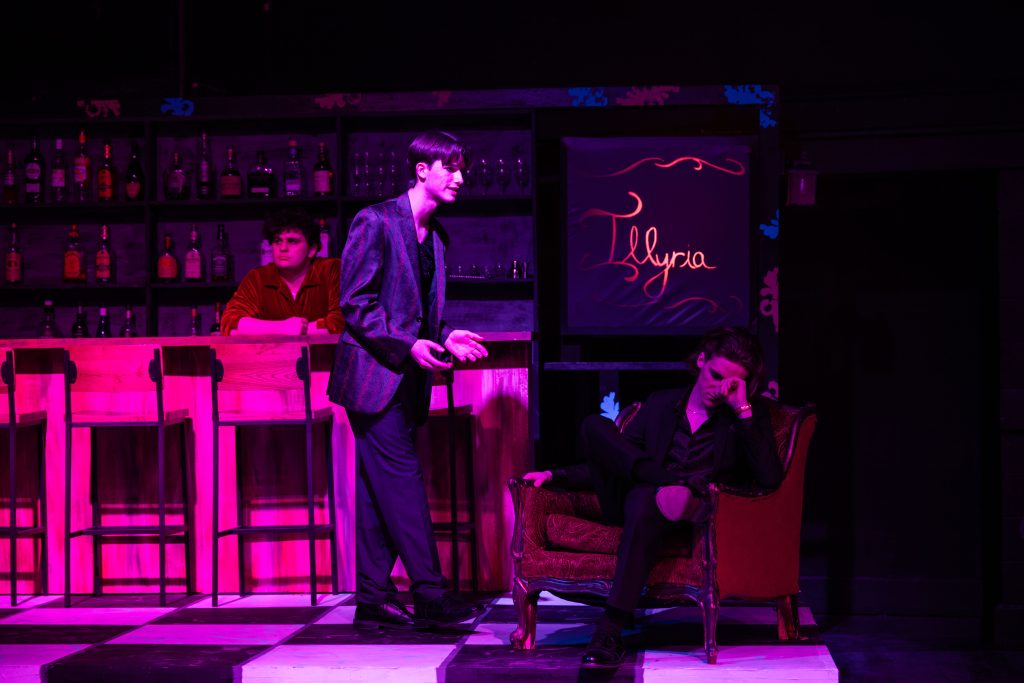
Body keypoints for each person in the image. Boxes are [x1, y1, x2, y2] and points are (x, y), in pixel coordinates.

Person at [523, 326, 782, 668]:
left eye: (731, 384)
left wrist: (743, 407)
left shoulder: (743, 418)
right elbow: (620, 459)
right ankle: (670, 483)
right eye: (716, 376)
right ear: (701, 361)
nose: (719, 389)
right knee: (595, 427)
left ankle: (610, 630)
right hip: (636, 496)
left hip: (690, 515)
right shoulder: (661, 404)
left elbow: (769, 478)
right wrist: (556, 475)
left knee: (645, 498)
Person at [327, 131, 488, 630]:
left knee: (379, 490)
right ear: (422, 170)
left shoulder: (436, 238)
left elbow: (417, 313)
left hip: (404, 378)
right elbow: (355, 303)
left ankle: (372, 601)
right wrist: (408, 345)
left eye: (462, 169)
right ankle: (430, 596)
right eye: (451, 168)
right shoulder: (375, 220)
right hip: (372, 377)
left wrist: (444, 334)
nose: (460, 178)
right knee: (402, 482)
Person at [220, 208, 343, 336]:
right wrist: (283, 328)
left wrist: (299, 330)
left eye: (292, 241)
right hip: (275, 349)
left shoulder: (331, 270)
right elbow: (230, 323)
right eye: (277, 241)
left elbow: (341, 321)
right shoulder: (258, 278)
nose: (283, 248)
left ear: (312, 250)